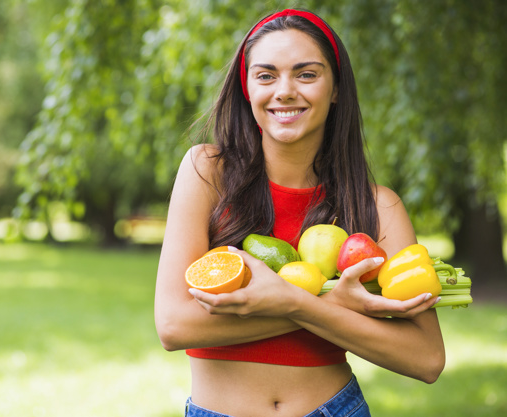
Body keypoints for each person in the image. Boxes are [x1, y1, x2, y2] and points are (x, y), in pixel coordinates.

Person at [154, 8, 445, 417]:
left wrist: (294, 304)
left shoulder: (379, 206)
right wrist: (335, 307)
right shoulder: (208, 171)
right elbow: (173, 325)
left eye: (306, 74)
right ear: (247, 88)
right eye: (266, 75)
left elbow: (427, 358)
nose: (285, 91)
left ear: (336, 88)